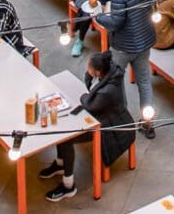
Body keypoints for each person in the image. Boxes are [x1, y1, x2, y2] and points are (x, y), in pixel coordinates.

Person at [41, 49, 137, 201]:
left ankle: (68, 186)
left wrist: (84, 96)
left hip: (109, 128)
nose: (87, 68)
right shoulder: (110, 74)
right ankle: (60, 164)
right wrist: (89, 77)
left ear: (98, 72)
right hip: (104, 117)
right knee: (64, 129)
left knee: (67, 138)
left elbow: (90, 104)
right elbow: (92, 95)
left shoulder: (107, 91)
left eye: (89, 68)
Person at [105, 0, 157, 137]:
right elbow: (153, 7)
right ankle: (147, 123)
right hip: (144, 42)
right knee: (144, 82)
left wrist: (98, 16)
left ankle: (124, 124)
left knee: (117, 82)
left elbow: (116, 23)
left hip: (123, 45)